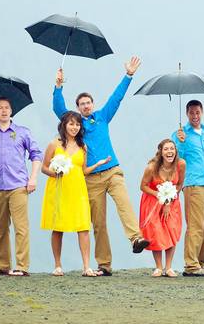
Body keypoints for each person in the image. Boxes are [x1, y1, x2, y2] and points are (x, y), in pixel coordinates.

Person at [53, 57, 150, 275]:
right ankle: (104, 264)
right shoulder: (76, 124)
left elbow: (116, 98)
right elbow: (59, 109)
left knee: (124, 202)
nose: (86, 106)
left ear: (92, 104)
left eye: (88, 102)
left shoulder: (103, 117)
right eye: (82, 104)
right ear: (77, 108)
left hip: (112, 171)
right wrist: (58, 86)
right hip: (91, 178)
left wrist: (128, 75)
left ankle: (136, 238)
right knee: (99, 222)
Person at [41, 111, 109, 277]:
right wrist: (54, 173)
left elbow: (83, 170)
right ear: (64, 125)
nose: (74, 127)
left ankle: (86, 266)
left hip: (78, 190)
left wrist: (98, 164)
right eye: (71, 124)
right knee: (58, 227)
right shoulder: (54, 144)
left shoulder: (82, 146)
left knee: (83, 227)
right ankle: (57, 265)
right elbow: (44, 167)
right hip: (58, 189)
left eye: (77, 124)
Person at [0, 97, 42, 276]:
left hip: (18, 186)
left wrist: (33, 178)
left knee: (21, 227)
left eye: (7, 107)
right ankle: (2, 265)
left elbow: (36, 154)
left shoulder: (22, 132)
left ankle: (22, 266)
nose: (4, 111)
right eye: (0, 108)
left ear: (11, 111)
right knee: (0, 228)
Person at [173, 100, 204, 276]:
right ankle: (191, 265)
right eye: (191, 113)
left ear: (202, 112)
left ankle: (201, 261)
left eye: (197, 112)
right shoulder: (181, 134)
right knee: (195, 226)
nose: (195, 116)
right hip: (194, 184)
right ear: (187, 114)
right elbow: (176, 157)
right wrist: (180, 142)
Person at [139, 138, 186, 277]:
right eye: (166, 149)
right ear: (161, 152)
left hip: (172, 202)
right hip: (153, 202)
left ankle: (169, 267)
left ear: (175, 151)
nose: (170, 152)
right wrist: (160, 195)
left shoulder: (181, 164)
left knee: (171, 230)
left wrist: (169, 200)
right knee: (156, 232)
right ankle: (159, 267)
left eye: (172, 149)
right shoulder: (152, 168)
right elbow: (143, 186)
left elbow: (179, 184)